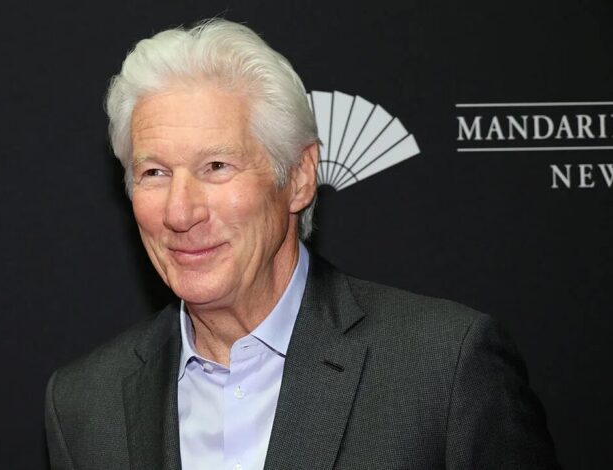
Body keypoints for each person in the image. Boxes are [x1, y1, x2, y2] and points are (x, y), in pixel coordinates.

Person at [45, 19, 559, 470]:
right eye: (155, 172)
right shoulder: (84, 405)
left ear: (299, 177)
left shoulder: (443, 370)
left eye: (216, 167)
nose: (180, 213)